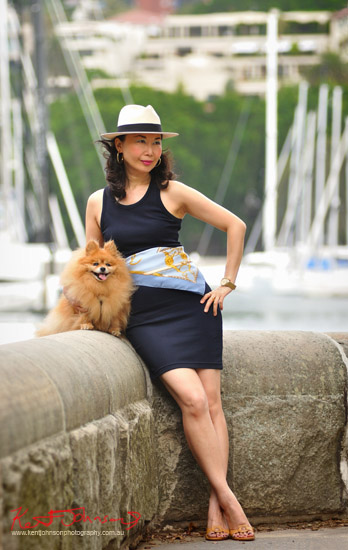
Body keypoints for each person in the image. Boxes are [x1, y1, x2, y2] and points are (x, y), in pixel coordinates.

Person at [85, 104, 254, 542]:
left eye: (156, 141)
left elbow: (235, 226)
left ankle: (217, 507)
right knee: (193, 400)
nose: (150, 149)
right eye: (140, 140)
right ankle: (230, 497)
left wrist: (226, 284)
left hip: (195, 308)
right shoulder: (97, 203)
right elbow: (92, 266)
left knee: (212, 404)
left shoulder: (174, 192)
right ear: (118, 146)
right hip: (144, 318)